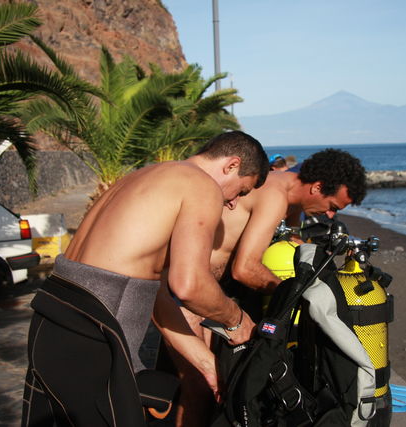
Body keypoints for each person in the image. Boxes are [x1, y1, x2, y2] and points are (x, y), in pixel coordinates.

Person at [21, 131, 269, 426]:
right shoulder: (202, 186)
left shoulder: (143, 176)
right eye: (241, 191)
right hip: (95, 329)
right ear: (231, 164)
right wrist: (237, 320)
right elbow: (189, 285)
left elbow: (160, 296)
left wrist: (208, 366)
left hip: (53, 317)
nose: (232, 204)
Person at [154, 148, 367, 426]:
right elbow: (245, 269)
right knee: (199, 386)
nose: (329, 216)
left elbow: (290, 246)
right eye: (332, 206)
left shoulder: (290, 202)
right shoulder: (275, 196)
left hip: (208, 293)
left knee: (212, 386)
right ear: (316, 187)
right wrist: (296, 295)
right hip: (187, 291)